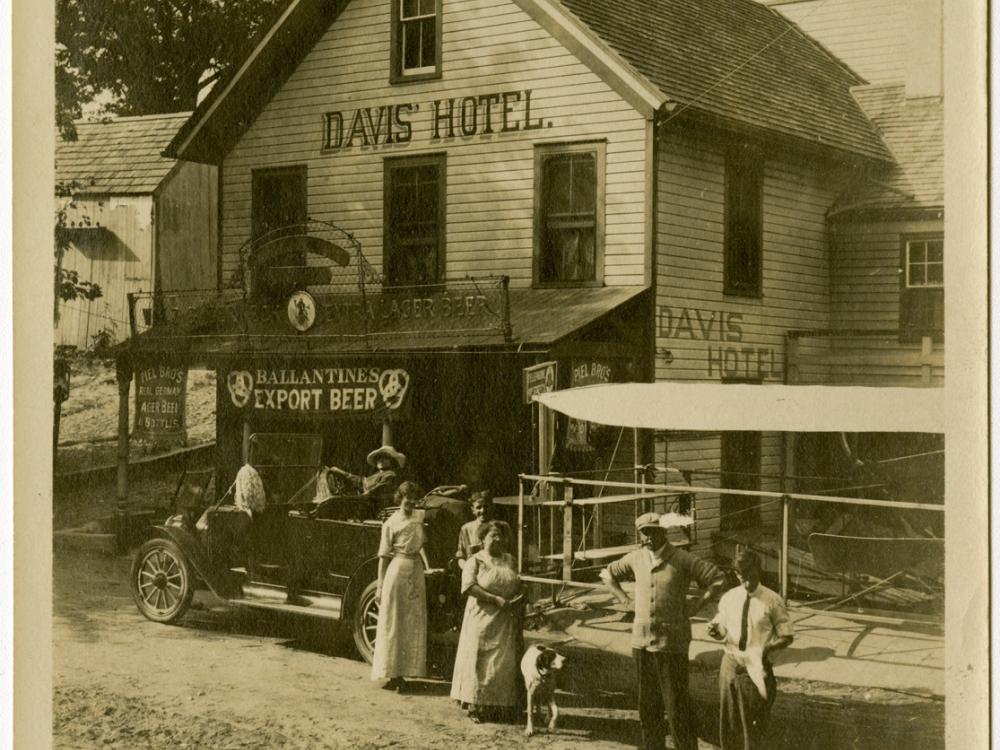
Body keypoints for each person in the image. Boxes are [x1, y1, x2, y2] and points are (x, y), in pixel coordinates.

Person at [600, 512, 724, 750]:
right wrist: (625, 600)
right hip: (641, 644)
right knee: (648, 707)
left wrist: (696, 605)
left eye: (652, 531)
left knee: (677, 708)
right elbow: (607, 574)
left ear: (663, 532)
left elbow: (717, 578)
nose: (648, 537)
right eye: (644, 532)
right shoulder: (636, 558)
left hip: (672, 644)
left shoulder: (681, 558)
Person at [708, 550, 794, 750]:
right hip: (729, 665)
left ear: (759, 570)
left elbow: (786, 636)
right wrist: (715, 632)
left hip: (756, 668)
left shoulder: (773, 600)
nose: (747, 583)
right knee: (729, 721)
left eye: (751, 576)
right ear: (737, 575)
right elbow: (722, 629)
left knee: (753, 726)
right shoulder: (729, 598)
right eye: (741, 577)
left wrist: (764, 650)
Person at [450, 520, 523, 723]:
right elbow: (469, 587)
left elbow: (518, 582)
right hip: (481, 618)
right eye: (493, 535)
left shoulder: (510, 560)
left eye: (501, 535)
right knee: (479, 661)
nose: (498, 539)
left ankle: (499, 705)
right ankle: (475, 704)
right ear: (482, 540)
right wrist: (494, 599)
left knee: (501, 664)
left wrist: (518, 597)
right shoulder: (475, 560)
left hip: (505, 619)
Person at [371, 481, 427, 692]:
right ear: (399, 500)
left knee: (412, 621)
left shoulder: (420, 517)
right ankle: (391, 673)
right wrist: (380, 586)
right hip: (397, 570)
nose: (410, 506)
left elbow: (424, 543)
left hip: (416, 570)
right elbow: (383, 557)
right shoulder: (390, 523)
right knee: (394, 621)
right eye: (406, 502)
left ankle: (406, 673)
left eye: (413, 502)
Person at [329, 445, 404, 512]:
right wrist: (341, 472)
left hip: (377, 507)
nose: (381, 460)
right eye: (379, 458)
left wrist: (361, 496)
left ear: (392, 461)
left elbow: (376, 490)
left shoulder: (390, 475)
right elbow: (361, 481)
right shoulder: (376, 475)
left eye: (385, 458)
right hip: (367, 504)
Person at [455, 490, 513, 569]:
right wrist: (468, 570)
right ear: (473, 509)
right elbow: (461, 557)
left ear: (492, 507)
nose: (483, 511)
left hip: (498, 572)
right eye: (478, 507)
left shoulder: (503, 527)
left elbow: (513, 553)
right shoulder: (466, 529)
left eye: (486, 506)